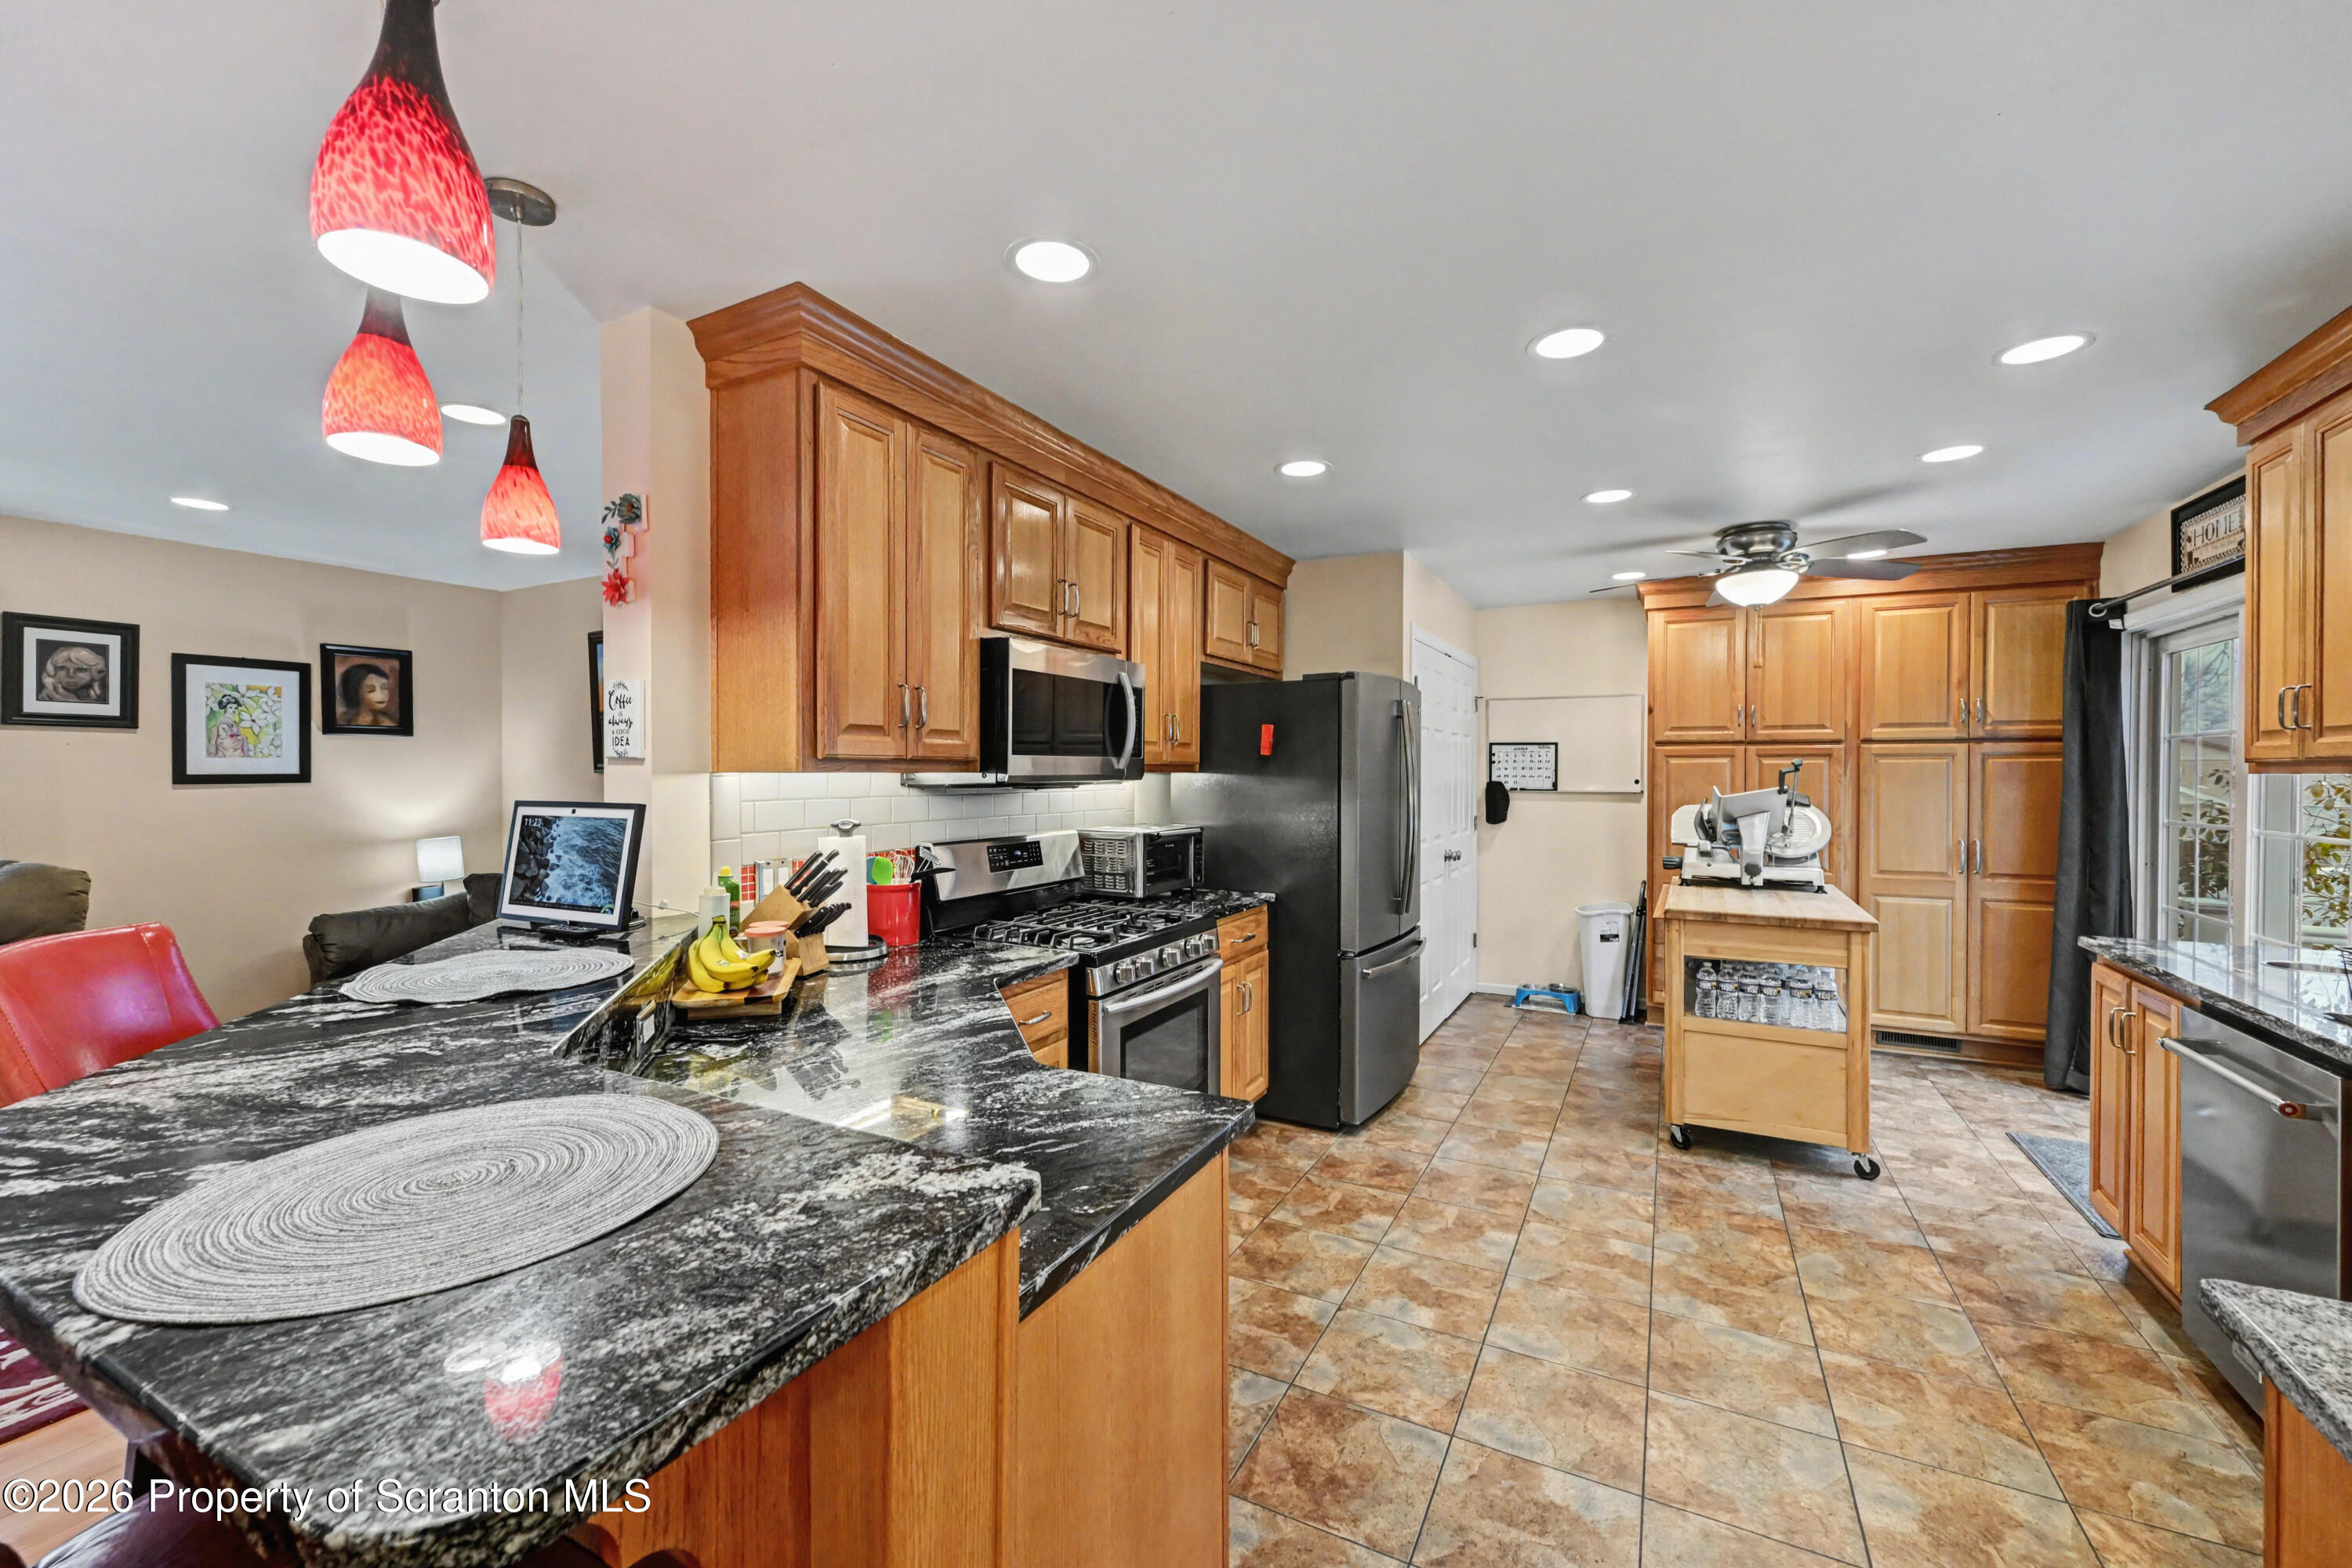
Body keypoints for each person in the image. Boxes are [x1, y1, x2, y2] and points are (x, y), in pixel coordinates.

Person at [35, 643, 106, 705]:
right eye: (62, 668)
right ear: (53, 670)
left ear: (94, 672)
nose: (70, 675)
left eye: (80, 670)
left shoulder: (98, 696)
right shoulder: (45, 698)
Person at [336, 662, 398, 728]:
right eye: (371, 690)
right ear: (355, 693)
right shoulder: (342, 721)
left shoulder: (390, 724)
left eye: (384, 687)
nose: (381, 695)